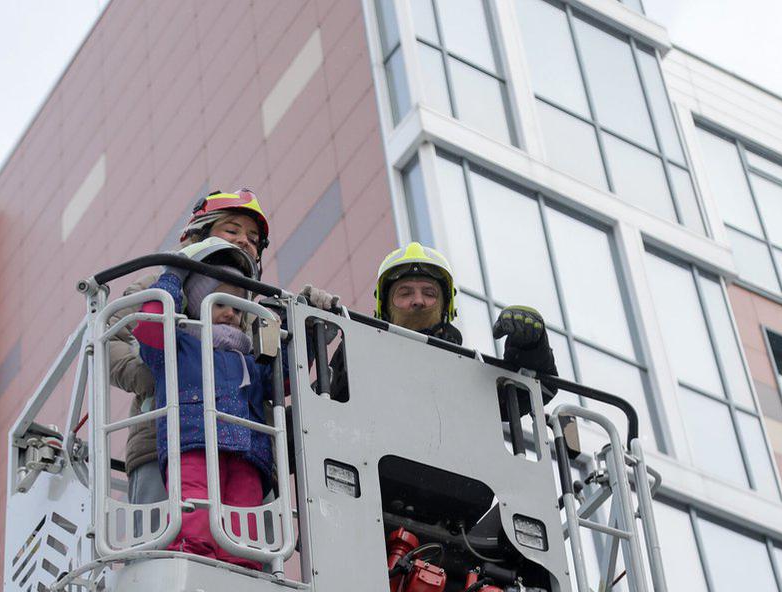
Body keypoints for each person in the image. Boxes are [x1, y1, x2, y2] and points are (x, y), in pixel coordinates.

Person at [110, 189, 271, 504]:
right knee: (175, 521)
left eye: (253, 239)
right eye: (232, 230)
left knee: (244, 530)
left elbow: (271, 376)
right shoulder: (158, 285)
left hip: (247, 449)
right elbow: (111, 338)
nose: (244, 241)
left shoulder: (255, 312)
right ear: (199, 234)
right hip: (165, 437)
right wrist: (160, 376)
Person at [131, 238, 276, 569]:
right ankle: (193, 557)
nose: (230, 313)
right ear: (197, 304)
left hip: (248, 449)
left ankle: (243, 568)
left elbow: (277, 382)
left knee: (244, 514)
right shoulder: (180, 343)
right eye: (219, 303)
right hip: (193, 439)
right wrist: (173, 277)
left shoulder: (248, 358)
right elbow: (151, 326)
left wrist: (297, 334)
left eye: (237, 307)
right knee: (195, 502)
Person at [325, 243, 556, 396]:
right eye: (405, 293)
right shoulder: (357, 357)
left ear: (447, 308)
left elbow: (536, 392)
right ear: (384, 308)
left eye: (429, 293)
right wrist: (309, 332)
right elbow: (318, 408)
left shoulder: (468, 374)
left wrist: (530, 348)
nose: (418, 301)